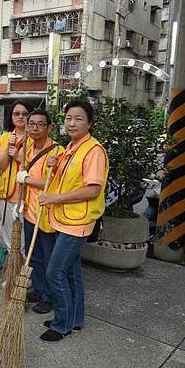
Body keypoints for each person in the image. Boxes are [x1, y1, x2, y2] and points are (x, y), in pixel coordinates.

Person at [38, 100, 108, 342]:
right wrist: (53, 167)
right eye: (68, 118)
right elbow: (68, 180)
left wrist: (56, 198)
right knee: (71, 272)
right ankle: (74, 319)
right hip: (64, 219)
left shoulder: (93, 150)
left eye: (78, 118)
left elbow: (92, 190)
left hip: (77, 223)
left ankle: (62, 324)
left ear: (90, 123)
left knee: (54, 273)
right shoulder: (72, 147)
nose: (72, 122)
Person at [15, 110, 62, 314]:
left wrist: (26, 179)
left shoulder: (56, 152)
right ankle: (39, 288)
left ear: (49, 127)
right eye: (31, 124)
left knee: (48, 256)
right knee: (33, 255)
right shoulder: (28, 148)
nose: (34, 128)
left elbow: (51, 183)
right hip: (29, 210)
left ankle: (49, 296)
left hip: (47, 212)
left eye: (40, 124)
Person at [0, 100, 34, 250]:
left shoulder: (35, 137)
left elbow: (37, 166)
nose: (20, 117)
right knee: (7, 234)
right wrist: (8, 147)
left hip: (26, 194)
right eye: (16, 114)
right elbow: (1, 165)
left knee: (23, 236)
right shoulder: (5, 138)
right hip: (6, 192)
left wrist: (19, 157)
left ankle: (22, 263)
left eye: (25, 114)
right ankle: (13, 262)